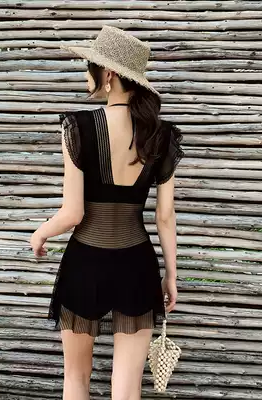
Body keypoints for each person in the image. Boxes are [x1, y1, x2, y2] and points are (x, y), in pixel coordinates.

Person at [30, 25, 184, 400]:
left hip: (86, 263)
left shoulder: (78, 127)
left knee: (76, 379)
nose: (87, 74)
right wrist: (171, 276)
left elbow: (72, 213)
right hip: (137, 265)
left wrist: (41, 233)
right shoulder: (162, 135)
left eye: (91, 66)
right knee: (127, 389)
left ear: (109, 74)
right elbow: (165, 216)